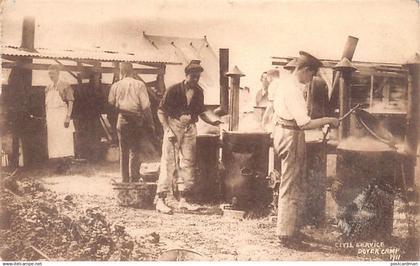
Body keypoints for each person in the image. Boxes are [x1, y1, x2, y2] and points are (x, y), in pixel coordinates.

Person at [272, 51, 339, 248]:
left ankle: (292, 228)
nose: (311, 79)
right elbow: (304, 123)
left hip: (285, 132)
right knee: (291, 184)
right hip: (290, 135)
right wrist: (328, 120)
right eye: (311, 75)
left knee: (296, 182)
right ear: (305, 70)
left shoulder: (286, 83)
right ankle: (285, 235)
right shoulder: (293, 89)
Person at [155, 60, 222, 214]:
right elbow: (161, 111)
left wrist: (213, 120)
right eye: (192, 77)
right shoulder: (173, 90)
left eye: (197, 77)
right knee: (168, 161)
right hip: (174, 126)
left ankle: (184, 199)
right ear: (186, 76)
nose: (195, 80)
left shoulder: (198, 92)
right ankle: (161, 199)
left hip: (190, 127)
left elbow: (201, 112)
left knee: (188, 163)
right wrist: (167, 130)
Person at [108, 62, 155, 183]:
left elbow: (111, 105)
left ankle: (124, 180)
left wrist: (115, 123)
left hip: (121, 119)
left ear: (121, 72)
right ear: (132, 71)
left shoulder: (115, 86)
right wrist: (150, 123)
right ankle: (133, 179)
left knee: (123, 151)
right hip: (135, 119)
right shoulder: (139, 85)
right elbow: (146, 107)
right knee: (135, 150)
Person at [45, 64, 75, 159]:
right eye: (49, 74)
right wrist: (47, 118)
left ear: (58, 73)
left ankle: (66, 161)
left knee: (64, 138)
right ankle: (56, 161)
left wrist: (68, 116)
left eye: (53, 74)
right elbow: (46, 105)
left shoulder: (65, 85)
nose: (51, 76)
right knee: (54, 139)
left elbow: (70, 101)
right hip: (51, 116)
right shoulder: (48, 87)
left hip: (61, 114)